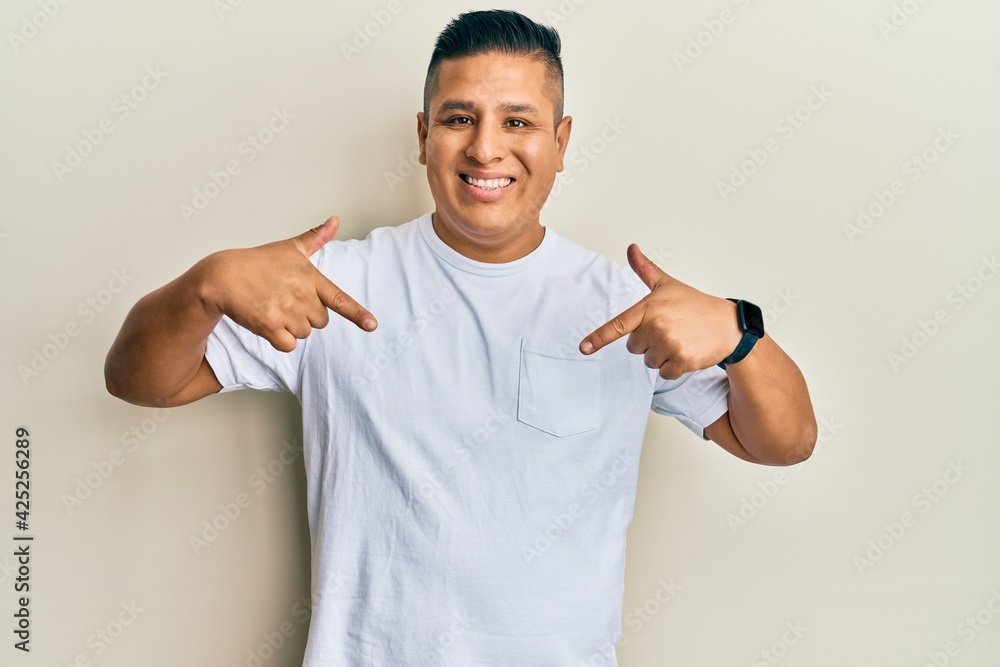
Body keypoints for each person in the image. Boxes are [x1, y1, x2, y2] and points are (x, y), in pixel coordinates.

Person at [105, 9, 817, 666]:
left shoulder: (629, 308)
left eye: (518, 121)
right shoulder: (331, 285)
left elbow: (785, 441)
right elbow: (140, 380)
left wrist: (739, 333)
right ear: (423, 137)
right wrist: (203, 284)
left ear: (561, 142)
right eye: (458, 118)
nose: (485, 147)